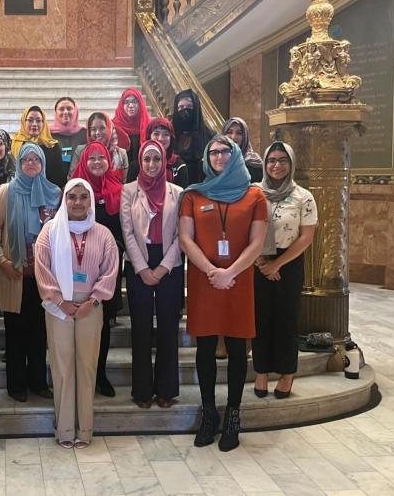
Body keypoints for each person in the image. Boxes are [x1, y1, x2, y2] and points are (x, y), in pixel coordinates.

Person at [178, 135, 267, 452]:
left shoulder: (255, 196)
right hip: (205, 280)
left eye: (225, 151)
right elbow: (186, 239)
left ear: (235, 155)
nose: (218, 156)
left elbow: (256, 243)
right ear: (206, 157)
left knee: (236, 345)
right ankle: (209, 414)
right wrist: (212, 271)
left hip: (239, 280)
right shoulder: (193, 195)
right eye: (213, 152)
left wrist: (230, 272)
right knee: (204, 348)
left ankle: (233, 415)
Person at [34, 179, 119, 449]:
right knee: (62, 368)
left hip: (90, 307)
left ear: (91, 200)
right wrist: (60, 301)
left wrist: (92, 301)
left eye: (83, 197)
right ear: (65, 200)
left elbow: (110, 271)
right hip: (58, 306)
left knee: (86, 366)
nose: (78, 202)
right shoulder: (50, 231)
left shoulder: (103, 234)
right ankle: (65, 429)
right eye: (72, 197)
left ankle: (85, 429)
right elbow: (42, 268)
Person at [0, 143, 60, 403]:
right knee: (15, 332)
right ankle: (16, 384)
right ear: (19, 164)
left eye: (36, 160)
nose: (31, 164)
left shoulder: (53, 194)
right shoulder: (5, 193)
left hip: (43, 278)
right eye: (26, 160)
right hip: (14, 274)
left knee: (39, 332)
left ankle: (38, 382)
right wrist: (3, 262)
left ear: (42, 164)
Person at [120, 141, 184, 409]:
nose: (151, 164)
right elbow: (128, 232)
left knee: (169, 328)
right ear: (140, 161)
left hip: (169, 264)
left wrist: (163, 267)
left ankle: (166, 390)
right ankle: (143, 390)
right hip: (139, 264)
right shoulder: (128, 191)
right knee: (141, 329)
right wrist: (143, 268)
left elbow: (183, 235)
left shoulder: (177, 192)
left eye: (156, 159)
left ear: (164, 161)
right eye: (147, 159)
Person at [253, 141, 318, 399]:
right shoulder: (254, 192)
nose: (276, 165)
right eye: (271, 160)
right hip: (258, 259)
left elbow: (306, 237)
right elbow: (245, 229)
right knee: (260, 318)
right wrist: (262, 262)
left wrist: (277, 264)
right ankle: (261, 371)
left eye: (282, 160)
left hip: (289, 263)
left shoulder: (303, 196)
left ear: (291, 164)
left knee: (286, 319)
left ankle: (287, 373)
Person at [69, 142, 124, 397]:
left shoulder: (118, 190)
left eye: (101, 157)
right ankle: (76, 376)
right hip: (76, 269)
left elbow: (126, 229)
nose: (97, 162)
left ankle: (98, 374)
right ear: (84, 161)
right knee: (75, 324)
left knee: (101, 325)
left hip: (107, 271)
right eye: (91, 159)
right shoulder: (74, 191)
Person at [11, 105, 65, 189]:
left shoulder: (52, 146)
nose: (34, 124)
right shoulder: (15, 143)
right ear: (24, 122)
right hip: (20, 192)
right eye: (30, 120)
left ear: (44, 123)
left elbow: (59, 179)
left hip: (46, 195)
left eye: (38, 120)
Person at [125, 117, 189, 187]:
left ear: (171, 138)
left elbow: (180, 196)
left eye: (166, 134)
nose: (160, 138)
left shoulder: (179, 166)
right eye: (156, 134)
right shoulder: (137, 166)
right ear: (149, 137)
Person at [68, 112, 129, 182]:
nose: (97, 133)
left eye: (102, 128)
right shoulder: (81, 151)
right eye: (93, 129)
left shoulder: (121, 154)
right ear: (89, 132)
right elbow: (72, 179)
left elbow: (123, 182)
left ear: (109, 129)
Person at [171, 89, 212, 184]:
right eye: (181, 107)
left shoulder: (209, 135)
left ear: (196, 108)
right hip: (175, 188)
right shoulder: (170, 134)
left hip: (201, 187)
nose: (185, 110)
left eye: (189, 106)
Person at [49, 97, 87, 178]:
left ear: (75, 111)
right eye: (61, 109)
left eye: (69, 109)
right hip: (54, 183)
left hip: (80, 182)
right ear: (56, 112)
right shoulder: (48, 135)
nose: (65, 112)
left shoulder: (85, 134)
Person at [113, 88, 150, 164]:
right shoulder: (113, 127)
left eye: (134, 102)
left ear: (140, 104)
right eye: (126, 102)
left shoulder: (148, 126)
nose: (131, 106)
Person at [223, 117, 263, 183]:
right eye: (229, 132)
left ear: (245, 137)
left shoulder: (254, 163)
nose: (233, 137)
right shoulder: (217, 160)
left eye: (239, 133)